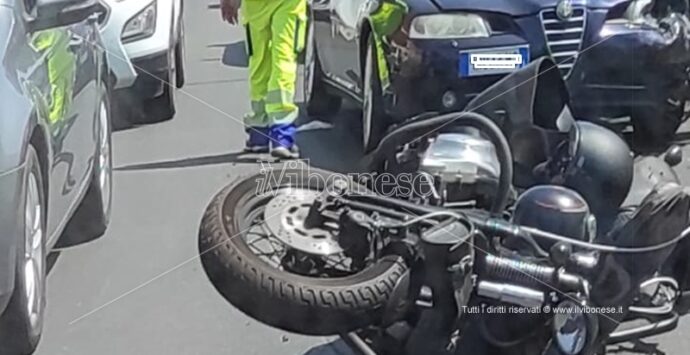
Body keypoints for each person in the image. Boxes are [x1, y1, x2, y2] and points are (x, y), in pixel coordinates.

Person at [221, 0, 306, 159]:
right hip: (288, 4)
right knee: (283, 60)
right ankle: (281, 134)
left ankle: (260, 133)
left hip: (255, 6)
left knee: (259, 64)